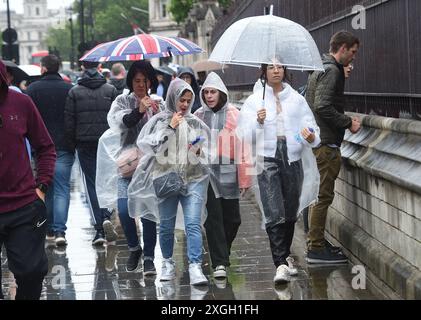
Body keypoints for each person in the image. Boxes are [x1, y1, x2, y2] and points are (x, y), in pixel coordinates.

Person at [238, 60, 321, 284]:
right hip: (266, 159)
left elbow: (312, 128)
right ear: (264, 71)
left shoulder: (296, 99)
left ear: (285, 71)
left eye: (280, 66)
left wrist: (311, 136)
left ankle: (284, 256)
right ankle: (280, 264)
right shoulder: (255, 101)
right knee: (274, 210)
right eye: (272, 67)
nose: (276, 70)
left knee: (290, 210)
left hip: (293, 157)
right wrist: (258, 121)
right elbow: (244, 136)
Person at [128, 78, 211, 286]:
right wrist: (170, 128)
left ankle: (195, 266)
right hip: (166, 178)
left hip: (194, 178)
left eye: (188, 101)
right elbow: (149, 147)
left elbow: (208, 151)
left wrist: (199, 151)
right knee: (166, 225)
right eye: (181, 99)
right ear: (173, 98)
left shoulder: (194, 122)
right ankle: (167, 262)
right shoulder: (159, 121)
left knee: (193, 223)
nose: (184, 105)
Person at [0, 59, 56, 299]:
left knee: (32, 274)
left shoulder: (21, 103)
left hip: (23, 205)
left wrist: (41, 187)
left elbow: (45, 147)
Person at [97, 60, 160, 274]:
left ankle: (149, 257)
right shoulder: (122, 101)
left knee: (148, 213)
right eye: (137, 80)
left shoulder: (157, 102)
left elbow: (165, 132)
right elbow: (122, 123)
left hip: (150, 168)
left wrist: (159, 115)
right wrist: (139, 110)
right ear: (130, 81)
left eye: (145, 80)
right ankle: (135, 248)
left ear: (151, 81)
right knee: (124, 210)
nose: (141, 85)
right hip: (128, 166)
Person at [305, 30, 361, 264]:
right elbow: (322, 106)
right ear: (343, 48)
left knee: (316, 196)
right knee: (323, 196)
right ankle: (316, 248)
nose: (354, 58)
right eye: (353, 52)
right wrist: (348, 122)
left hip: (318, 141)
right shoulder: (332, 71)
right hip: (325, 144)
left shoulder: (321, 68)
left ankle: (316, 241)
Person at [194, 72, 252, 279]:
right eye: (206, 92)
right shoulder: (198, 115)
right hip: (206, 173)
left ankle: (222, 253)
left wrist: (245, 178)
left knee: (233, 219)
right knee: (213, 218)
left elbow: (244, 147)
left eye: (213, 92)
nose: (209, 96)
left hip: (229, 173)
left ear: (221, 93)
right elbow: (193, 141)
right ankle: (219, 263)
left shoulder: (235, 115)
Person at [65, 60, 118, 245]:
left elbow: (69, 122)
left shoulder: (74, 92)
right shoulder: (110, 90)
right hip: (106, 143)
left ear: (82, 69)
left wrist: (72, 145)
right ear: (99, 68)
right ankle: (107, 215)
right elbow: (116, 119)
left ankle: (99, 230)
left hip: (84, 142)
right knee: (109, 180)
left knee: (91, 184)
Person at [27, 54, 75, 246]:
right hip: (64, 144)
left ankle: (47, 229)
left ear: (43, 69)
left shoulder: (32, 90)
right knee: (63, 188)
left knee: (46, 187)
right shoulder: (69, 89)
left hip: (42, 147)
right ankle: (60, 231)